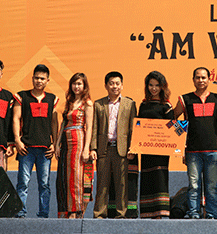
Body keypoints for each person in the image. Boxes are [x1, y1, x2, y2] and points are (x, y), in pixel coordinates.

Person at [174, 67, 217, 219]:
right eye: (198, 77)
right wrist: (180, 144)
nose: (201, 80)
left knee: (212, 187)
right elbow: (173, 120)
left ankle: (211, 215)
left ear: (209, 79)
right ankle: (194, 214)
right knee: (194, 186)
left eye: (204, 77)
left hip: (213, 150)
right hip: (192, 151)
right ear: (193, 80)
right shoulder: (185, 99)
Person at [13, 64, 59, 218]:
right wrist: (17, 141)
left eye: (42, 78)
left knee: (44, 184)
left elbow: (54, 123)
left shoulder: (52, 99)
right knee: (23, 183)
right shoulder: (22, 96)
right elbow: (16, 118)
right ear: (32, 78)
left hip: (45, 149)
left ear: (47, 80)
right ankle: (21, 212)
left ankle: (43, 214)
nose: (39, 81)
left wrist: (54, 143)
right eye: (37, 78)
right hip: (26, 148)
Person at [91, 71, 136, 219]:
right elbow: (95, 128)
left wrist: (132, 148)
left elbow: (133, 128)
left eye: (117, 83)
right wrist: (93, 148)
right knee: (102, 184)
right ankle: (99, 214)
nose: (114, 86)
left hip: (122, 149)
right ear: (106, 86)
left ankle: (121, 214)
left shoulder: (130, 104)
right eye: (111, 83)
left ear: (122, 85)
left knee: (121, 184)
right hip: (104, 148)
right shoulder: (98, 104)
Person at [54, 73, 94, 218]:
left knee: (76, 175)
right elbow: (63, 124)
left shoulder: (87, 103)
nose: (76, 87)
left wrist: (86, 148)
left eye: (79, 84)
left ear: (84, 86)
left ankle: (76, 210)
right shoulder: (69, 102)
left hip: (78, 139)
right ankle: (65, 211)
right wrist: (57, 144)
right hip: (65, 141)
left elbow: (89, 127)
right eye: (74, 83)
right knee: (63, 176)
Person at [138, 71, 174, 218]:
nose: (154, 88)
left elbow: (172, 128)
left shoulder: (166, 106)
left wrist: (176, 145)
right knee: (146, 178)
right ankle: (147, 212)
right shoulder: (143, 105)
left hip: (161, 151)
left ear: (162, 87)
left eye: (157, 85)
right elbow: (138, 126)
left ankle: (160, 212)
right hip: (146, 150)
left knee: (160, 178)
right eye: (151, 85)